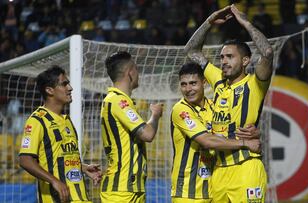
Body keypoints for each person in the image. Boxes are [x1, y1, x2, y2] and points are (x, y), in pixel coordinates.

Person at [184, 5, 274, 203]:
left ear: (245, 61)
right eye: (222, 57)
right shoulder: (217, 80)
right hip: (218, 172)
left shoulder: (254, 83)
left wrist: (245, 23)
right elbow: (191, 51)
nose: (223, 61)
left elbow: (267, 52)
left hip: (246, 168)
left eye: (230, 57)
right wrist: (209, 22)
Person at [171, 63, 261, 202]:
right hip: (187, 193)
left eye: (193, 83)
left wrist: (255, 133)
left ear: (204, 83)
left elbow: (231, 131)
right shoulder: (181, 110)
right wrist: (245, 143)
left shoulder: (215, 107)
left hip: (213, 190)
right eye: (184, 84)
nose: (188, 89)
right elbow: (207, 141)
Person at [19, 66, 102, 203]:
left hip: (80, 198)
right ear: (49, 90)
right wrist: (54, 181)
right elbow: (25, 160)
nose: (70, 88)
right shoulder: (37, 121)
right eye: (64, 84)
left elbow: (61, 159)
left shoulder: (66, 120)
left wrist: (83, 167)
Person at [100, 51, 163, 202]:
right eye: (136, 68)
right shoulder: (118, 101)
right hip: (121, 191)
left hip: (131, 188)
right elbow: (147, 134)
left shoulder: (117, 100)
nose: (138, 73)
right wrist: (155, 115)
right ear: (130, 72)